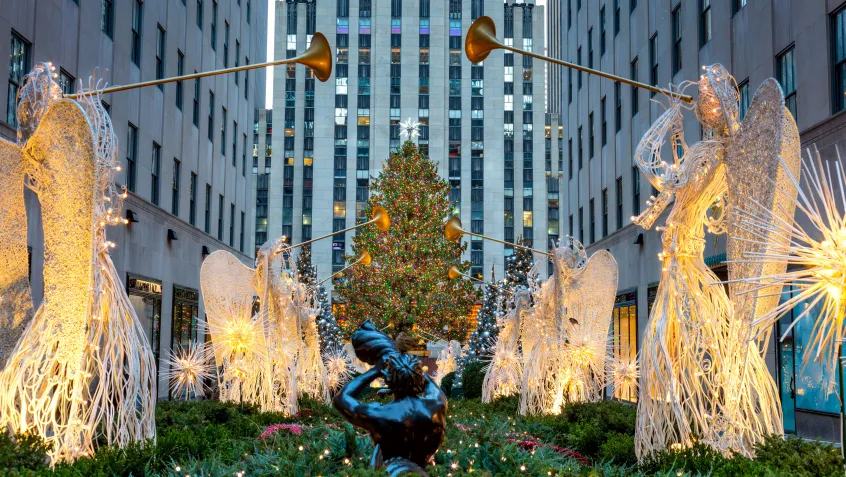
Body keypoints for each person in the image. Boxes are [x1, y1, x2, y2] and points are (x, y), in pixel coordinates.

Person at [333, 321, 447, 473]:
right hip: (422, 472)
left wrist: (376, 369)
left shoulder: (381, 415)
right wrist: (410, 366)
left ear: (388, 378)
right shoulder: (437, 404)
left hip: (388, 472)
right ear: (418, 374)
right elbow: (431, 387)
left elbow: (341, 399)